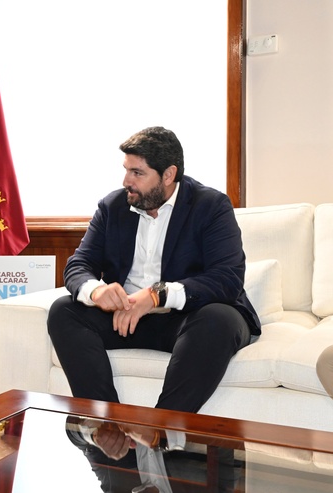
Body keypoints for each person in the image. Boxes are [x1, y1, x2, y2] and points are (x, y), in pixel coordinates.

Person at [47, 126, 260, 452]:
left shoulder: (210, 206)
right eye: (126, 170)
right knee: (64, 310)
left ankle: (160, 433)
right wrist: (97, 292)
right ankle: (108, 425)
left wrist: (156, 295)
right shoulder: (112, 207)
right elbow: (78, 265)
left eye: (137, 172)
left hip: (185, 319)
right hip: (125, 319)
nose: (126, 181)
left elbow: (227, 278)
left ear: (169, 174)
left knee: (220, 318)